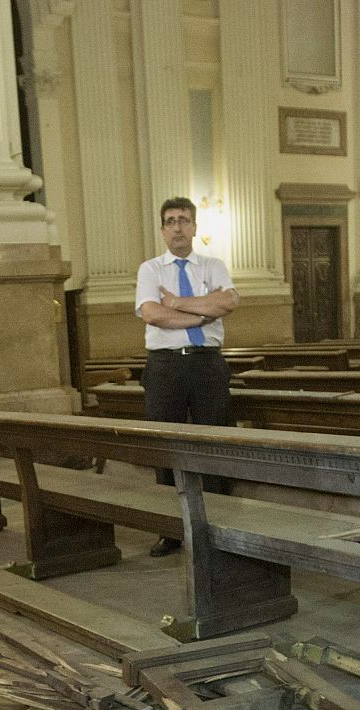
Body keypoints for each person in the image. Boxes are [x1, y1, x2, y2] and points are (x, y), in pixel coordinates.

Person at [134, 196, 240, 556]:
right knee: (166, 445)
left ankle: (220, 525)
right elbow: (151, 314)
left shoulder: (213, 264)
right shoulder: (150, 269)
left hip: (207, 363)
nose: (177, 226)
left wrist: (177, 303)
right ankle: (171, 529)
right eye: (170, 221)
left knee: (215, 439)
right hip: (165, 366)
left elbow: (226, 303)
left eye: (183, 219)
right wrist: (199, 314)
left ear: (194, 227)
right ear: (163, 230)